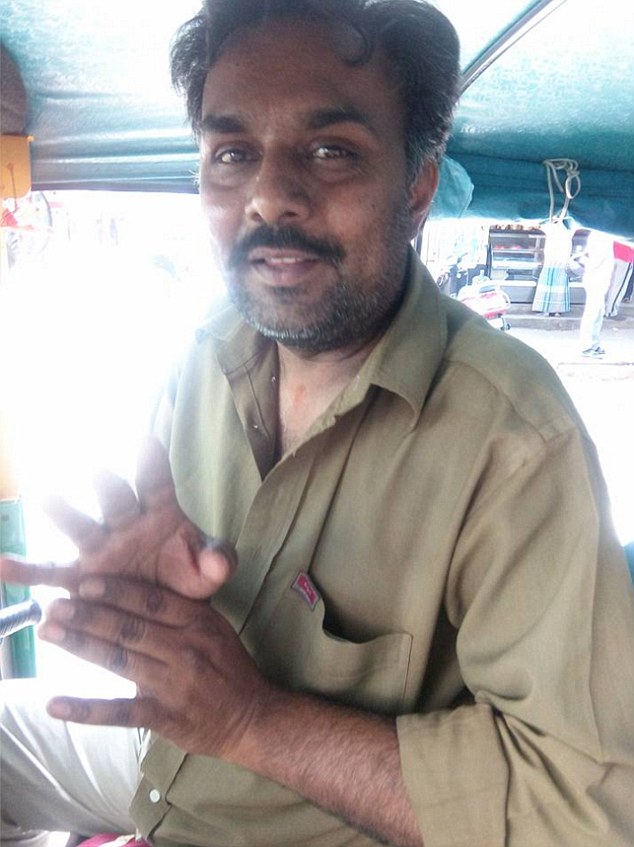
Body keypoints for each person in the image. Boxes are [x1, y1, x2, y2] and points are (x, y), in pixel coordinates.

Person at [2, 2, 634, 847]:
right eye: (233, 153)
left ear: (417, 188)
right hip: (165, 764)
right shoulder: (205, 353)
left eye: (331, 151)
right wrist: (152, 608)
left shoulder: (512, 439)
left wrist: (252, 720)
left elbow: (582, 813)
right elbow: (196, 661)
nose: (270, 196)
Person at [578, 229, 615, 357]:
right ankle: (586, 346)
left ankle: (594, 344)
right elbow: (594, 260)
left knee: (597, 313)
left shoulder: (603, 235)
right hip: (596, 279)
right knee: (592, 313)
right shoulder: (601, 236)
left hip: (600, 279)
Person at [531, 218, 573, 315]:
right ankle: (557, 310)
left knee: (548, 284)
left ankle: (546, 309)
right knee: (559, 285)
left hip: (552, 260)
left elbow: (539, 224)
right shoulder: (569, 228)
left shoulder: (551, 227)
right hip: (561, 260)